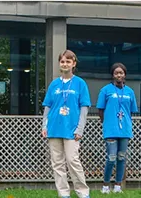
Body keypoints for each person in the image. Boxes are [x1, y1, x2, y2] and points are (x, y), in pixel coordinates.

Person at [41, 50, 90, 198]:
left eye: (68, 61)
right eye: (62, 61)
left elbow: (84, 107)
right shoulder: (54, 84)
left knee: (73, 161)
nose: (65, 64)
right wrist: (44, 126)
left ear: (73, 64)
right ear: (59, 64)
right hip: (54, 128)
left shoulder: (80, 83)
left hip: (71, 129)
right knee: (57, 163)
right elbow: (47, 107)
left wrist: (80, 128)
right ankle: (63, 194)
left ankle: (83, 193)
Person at [96, 63, 138, 194]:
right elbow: (100, 110)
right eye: (116, 73)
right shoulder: (106, 90)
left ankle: (118, 185)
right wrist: (106, 123)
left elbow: (131, 111)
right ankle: (105, 185)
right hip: (110, 129)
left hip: (124, 129)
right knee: (111, 157)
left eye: (121, 73)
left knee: (122, 157)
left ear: (125, 74)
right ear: (113, 75)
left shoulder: (130, 92)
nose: (119, 75)